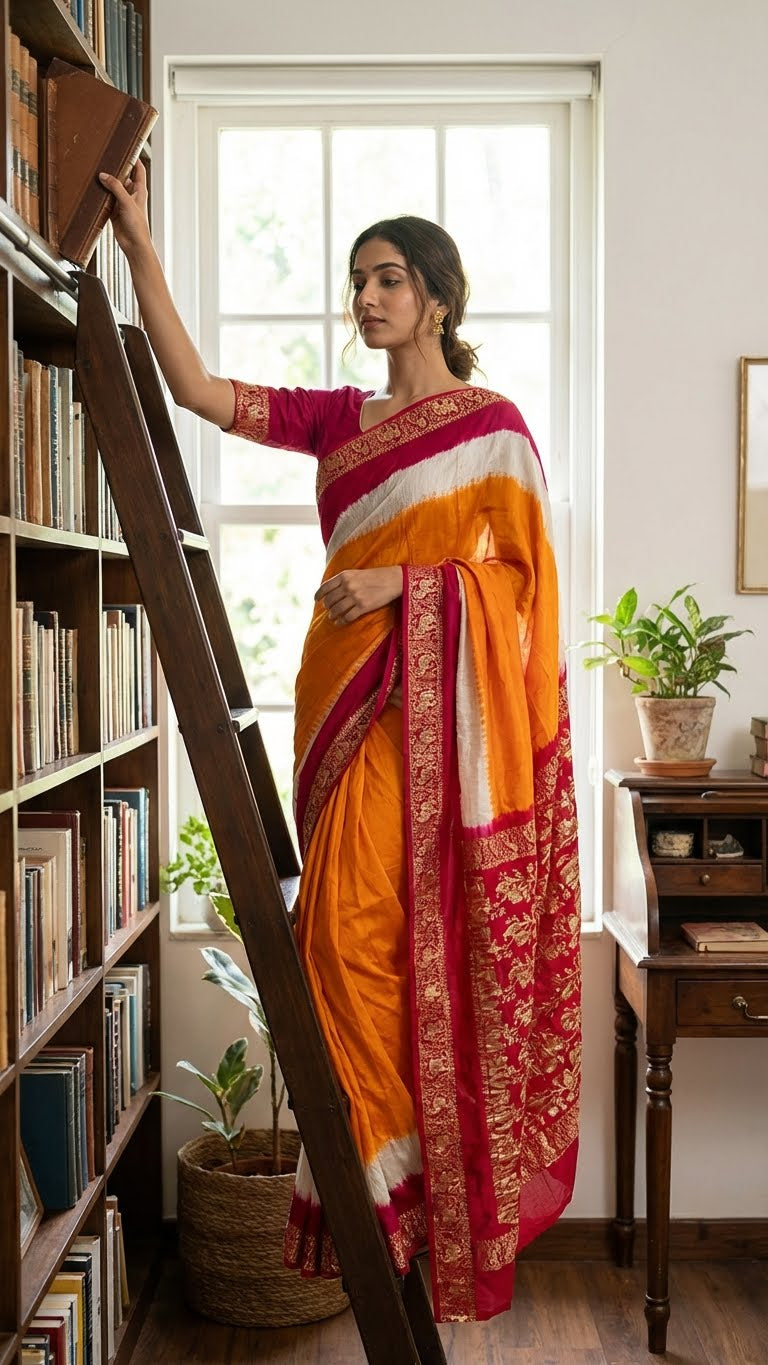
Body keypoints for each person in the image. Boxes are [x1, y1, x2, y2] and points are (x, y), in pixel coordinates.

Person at [100, 160, 582, 1325]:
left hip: (435, 725)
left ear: (439, 300)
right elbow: (204, 392)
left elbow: (524, 599)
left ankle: (400, 1195)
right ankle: (385, 1186)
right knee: (339, 945)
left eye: (390, 279)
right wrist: (142, 249)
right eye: (358, 280)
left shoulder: (494, 431)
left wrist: (410, 584)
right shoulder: (341, 420)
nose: (367, 298)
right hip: (344, 713)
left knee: (370, 948)